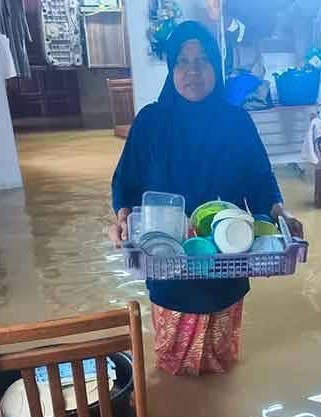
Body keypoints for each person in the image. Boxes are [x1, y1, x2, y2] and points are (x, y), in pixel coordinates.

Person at [109, 21, 302, 376]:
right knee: (174, 371)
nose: (193, 71)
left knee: (221, 368)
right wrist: (121, 218)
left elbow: (261, 183)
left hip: (226, 261)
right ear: (172, 69)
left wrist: (281, 214)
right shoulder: (150, 122)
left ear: (216, 66)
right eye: (182, 61)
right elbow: (126, 183)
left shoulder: (236, 122)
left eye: (203, 61)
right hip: (168, 264)